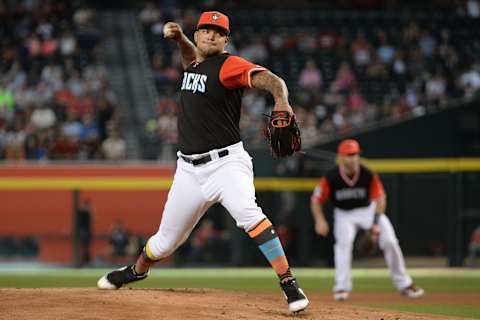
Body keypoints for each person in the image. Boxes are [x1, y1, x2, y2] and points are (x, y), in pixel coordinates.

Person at [97, 11, 309, 313]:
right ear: (197, 35)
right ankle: (137, 270)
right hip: (187, 170)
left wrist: (282, 100)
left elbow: (273, 81)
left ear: (226, 40)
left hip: (226, 165)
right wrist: (181, 39)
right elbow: (190, 62)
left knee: (249, 214)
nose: (210, 35)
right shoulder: (196, 64)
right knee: (163, 244)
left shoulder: (229, 65)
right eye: (204, 30)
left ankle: (288, 282)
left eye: (217, 32)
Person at [310, 139, 424, 301]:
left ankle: (404, 284)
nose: (353, 158)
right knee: (343, 244)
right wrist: (319, 220)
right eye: (349, 155)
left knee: (390, 242)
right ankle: (341, 287)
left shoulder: (368, 174)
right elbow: (315, 200)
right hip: (344, 214)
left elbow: (381, 200)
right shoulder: (331, 178)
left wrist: (376, 223)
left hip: (368, 211)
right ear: (341, 157)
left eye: (355, 154)